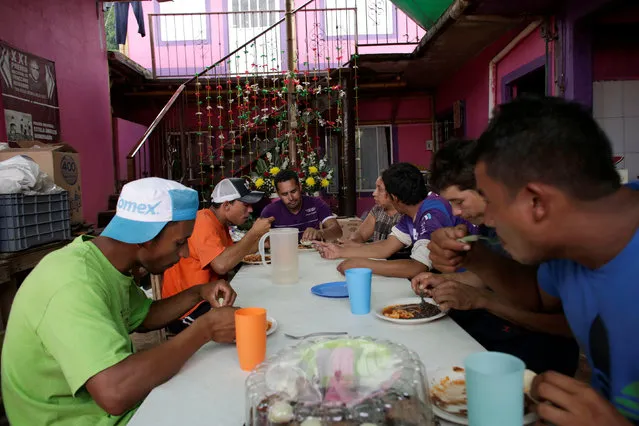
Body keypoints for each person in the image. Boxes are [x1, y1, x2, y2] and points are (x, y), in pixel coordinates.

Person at [426, 97, 639, 426]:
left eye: (492, 202)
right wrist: (475, 256)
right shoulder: (565, 245)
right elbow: (538, 300)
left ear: (537, 202)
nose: (489, 219)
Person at [1, 178, 238, 425]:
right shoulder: (72, 284)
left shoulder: (106, 264)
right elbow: (115, 393)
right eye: (179, 243)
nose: (185, 253)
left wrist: (198, 292)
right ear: (147, 237)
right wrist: (205, 329)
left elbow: (145, 317)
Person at [413, 138, 579, 376]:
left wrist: (482, 300)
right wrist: (451, 280)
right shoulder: (490, 224)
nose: (457, 213)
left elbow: (564, 324)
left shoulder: (557, 236)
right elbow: (498, 274)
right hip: (495, 333)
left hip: (534, 357)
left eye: (458, 202)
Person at [315, 162, 467, 278]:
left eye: (382, 190)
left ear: (394, 198)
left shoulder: (432, 213)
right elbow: (385, 247)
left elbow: (417, 266)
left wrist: (361, 265)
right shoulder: (411, 213)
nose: (378, 194)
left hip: (465, 286)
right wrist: (340, 251)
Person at [162, 178, 273, 333]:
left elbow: (231, 255)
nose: (251, 210)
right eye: (245, 205)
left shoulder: (219, 223)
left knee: (263, 303)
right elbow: (221, 265)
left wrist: (261, 243)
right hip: (186, 310)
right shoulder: (202, 220)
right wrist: (253, 233)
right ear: (226, 205)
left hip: (209, 299)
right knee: (250, 324)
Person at [261, 169, 342, 242]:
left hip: (313, 255)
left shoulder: (316, 203)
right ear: (278, 194)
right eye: (285, 194)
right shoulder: (269, 211)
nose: (291, 198)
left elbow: (337, 231)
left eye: (293, 191)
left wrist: (319, 233)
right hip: (284, 255)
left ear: (300, 187)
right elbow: (259, 240)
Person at [348, 176, 403, 244]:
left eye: (380, 189)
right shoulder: (377, 209)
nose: (374, 193)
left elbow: (388, 247)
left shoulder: (406, 215)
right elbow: (361, 234)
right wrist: (351, 242)